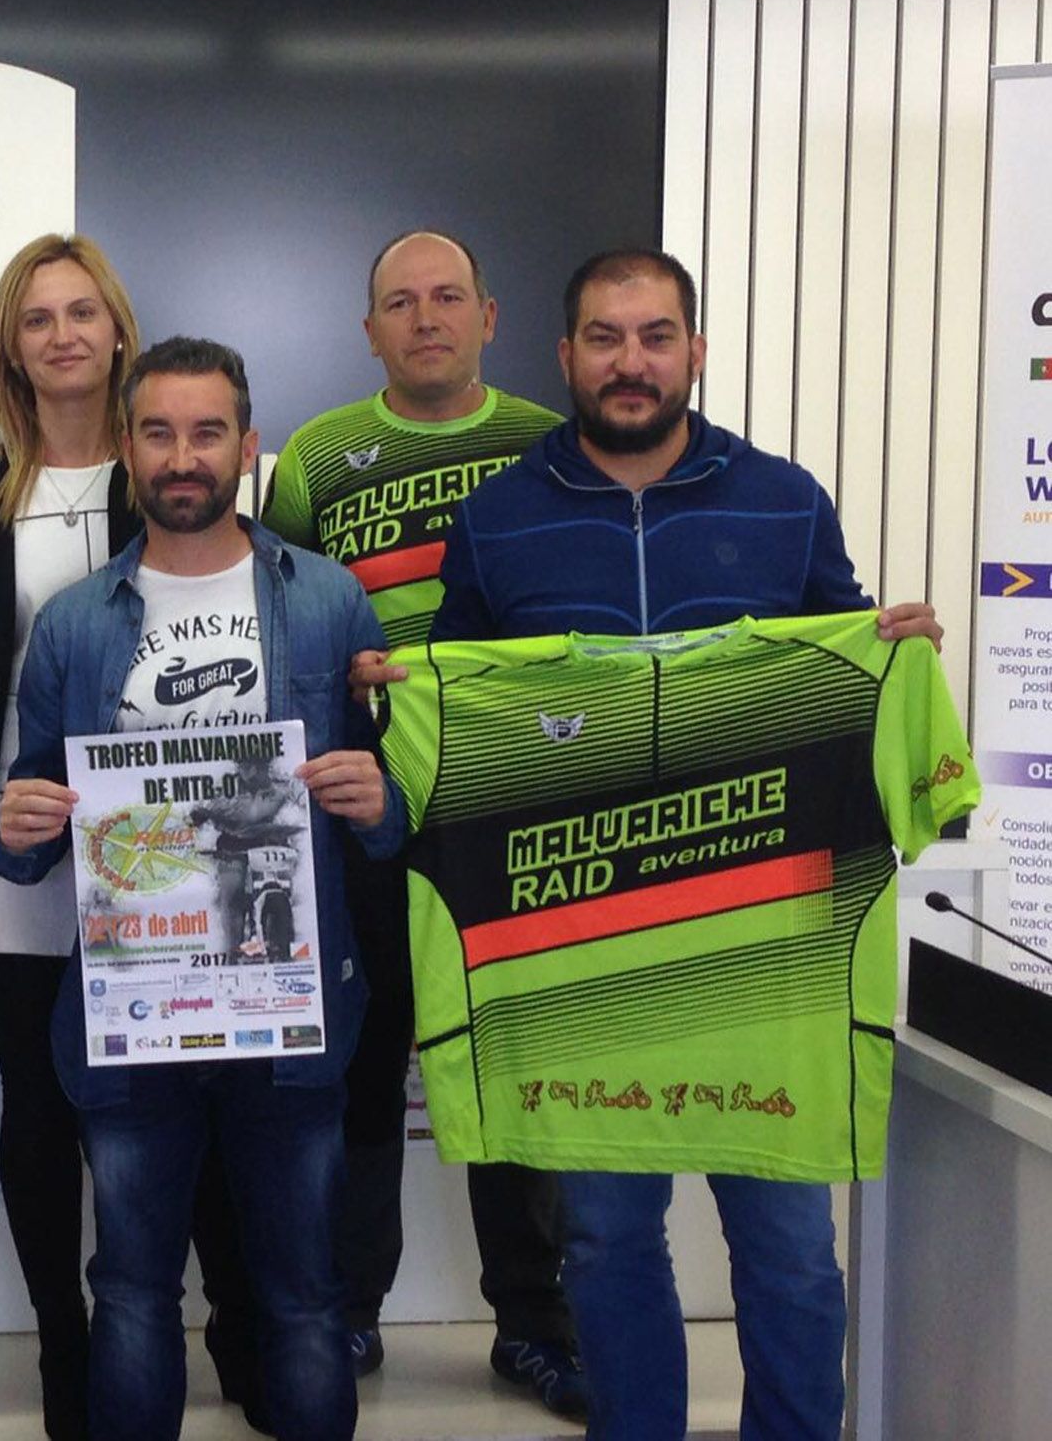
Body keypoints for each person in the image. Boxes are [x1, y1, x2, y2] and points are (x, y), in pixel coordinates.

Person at [369, 247, 942, 1440]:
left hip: (766, 950)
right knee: (606, 1242)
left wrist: (889, 651)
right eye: (602, 337)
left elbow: (837, 663)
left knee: (786, 1249)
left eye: (653, 335)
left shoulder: (783, 498)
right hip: (580, 959)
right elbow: (464, 714)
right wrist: (406, 690)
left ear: (690, 348)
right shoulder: (499, 516)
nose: (629, 362)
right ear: (563, 352)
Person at [0, 335, 400, 1441]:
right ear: (127, 449)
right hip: (134, 1014)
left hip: (289, 1011)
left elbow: (392, 814)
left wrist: (378, 799)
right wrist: (14, 826)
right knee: (128, 1288)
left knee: (304, 1293)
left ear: (246, 447)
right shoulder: (74, 624)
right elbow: (31, 822)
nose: (183, 456)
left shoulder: (326, 601)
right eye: (159, 432)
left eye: (206, 431)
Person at [0, 235, 265, 1438]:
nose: (61, 335)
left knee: (193, 1101)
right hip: (19, 846)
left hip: (163, 850)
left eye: (81, 312)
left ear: (117, 328)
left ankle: (227, 1336)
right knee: (40, 1111)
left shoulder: (163, 469)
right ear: (9, 344)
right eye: (34, 317)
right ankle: (70, 1350)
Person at [263, 230, 583, 1416]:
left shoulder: (547, 448)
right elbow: (277, 611)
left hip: (507, 811)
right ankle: (347, 1313)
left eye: (447, 297)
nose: (425, 317)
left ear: (488, 316)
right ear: (368, 330)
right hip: (355, 813)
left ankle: (531, 1322)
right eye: (399, 301)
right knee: (356, 1068)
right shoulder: (316, 454)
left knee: (510, 1066)